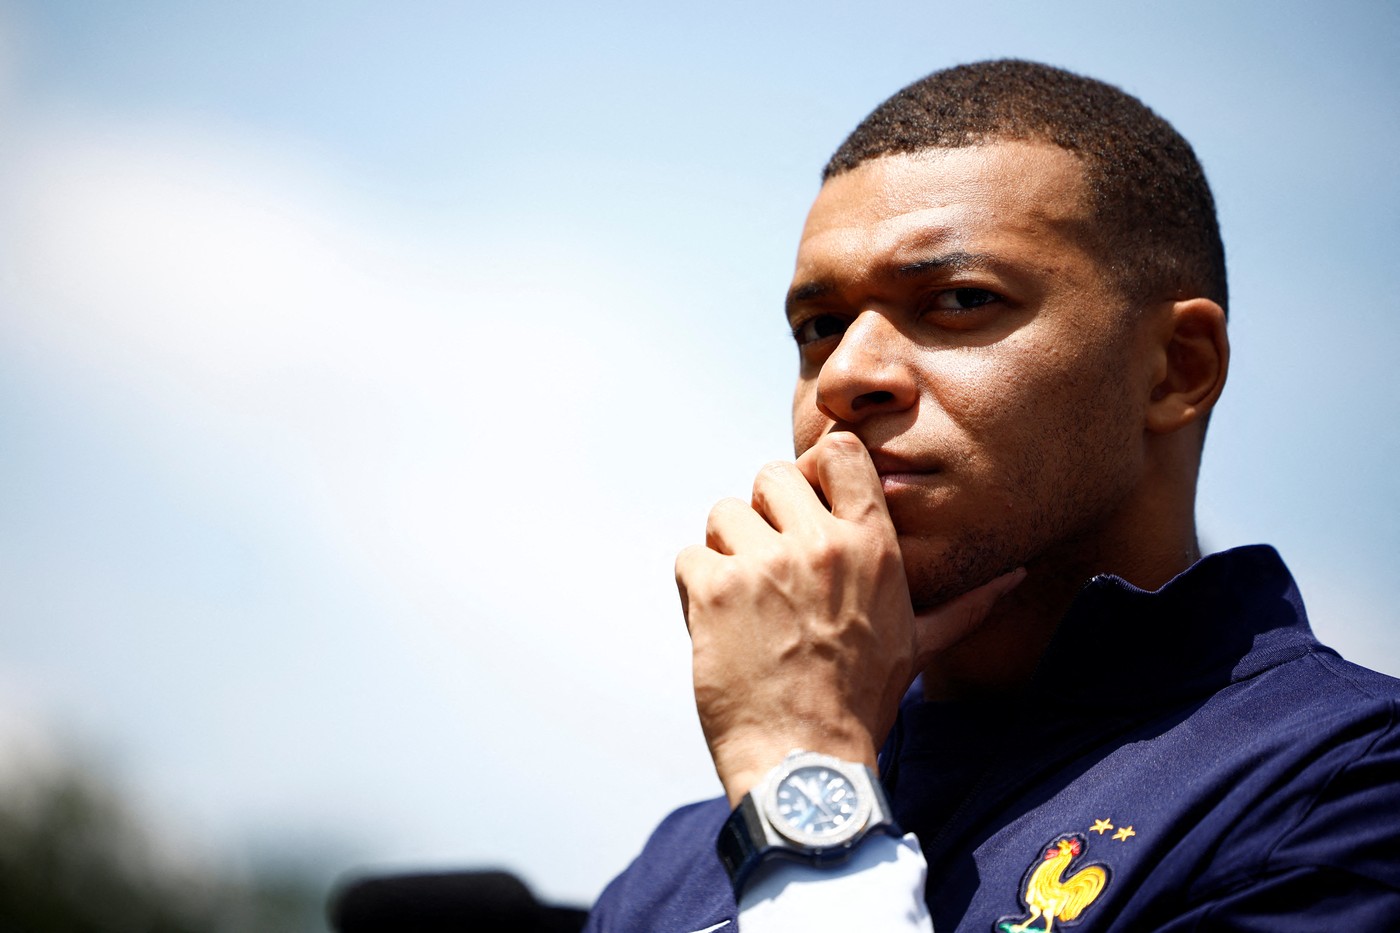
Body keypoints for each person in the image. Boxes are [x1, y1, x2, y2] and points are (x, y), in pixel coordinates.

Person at [584, 60, 1400, 932]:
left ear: (1177, 369)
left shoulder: (1344, 788)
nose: (847, 376)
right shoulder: (675, 873)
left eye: (960, 300)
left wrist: (804, 784)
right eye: (820, 327)